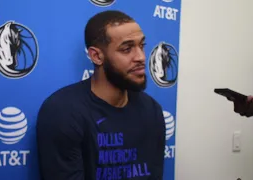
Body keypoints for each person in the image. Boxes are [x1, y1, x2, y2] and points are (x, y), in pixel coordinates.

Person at [36, 10, 166, 180]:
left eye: (141, 46)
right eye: (127, 49)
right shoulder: (62, 111)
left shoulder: (152, 110)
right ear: (96, 56)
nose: (141, 57)